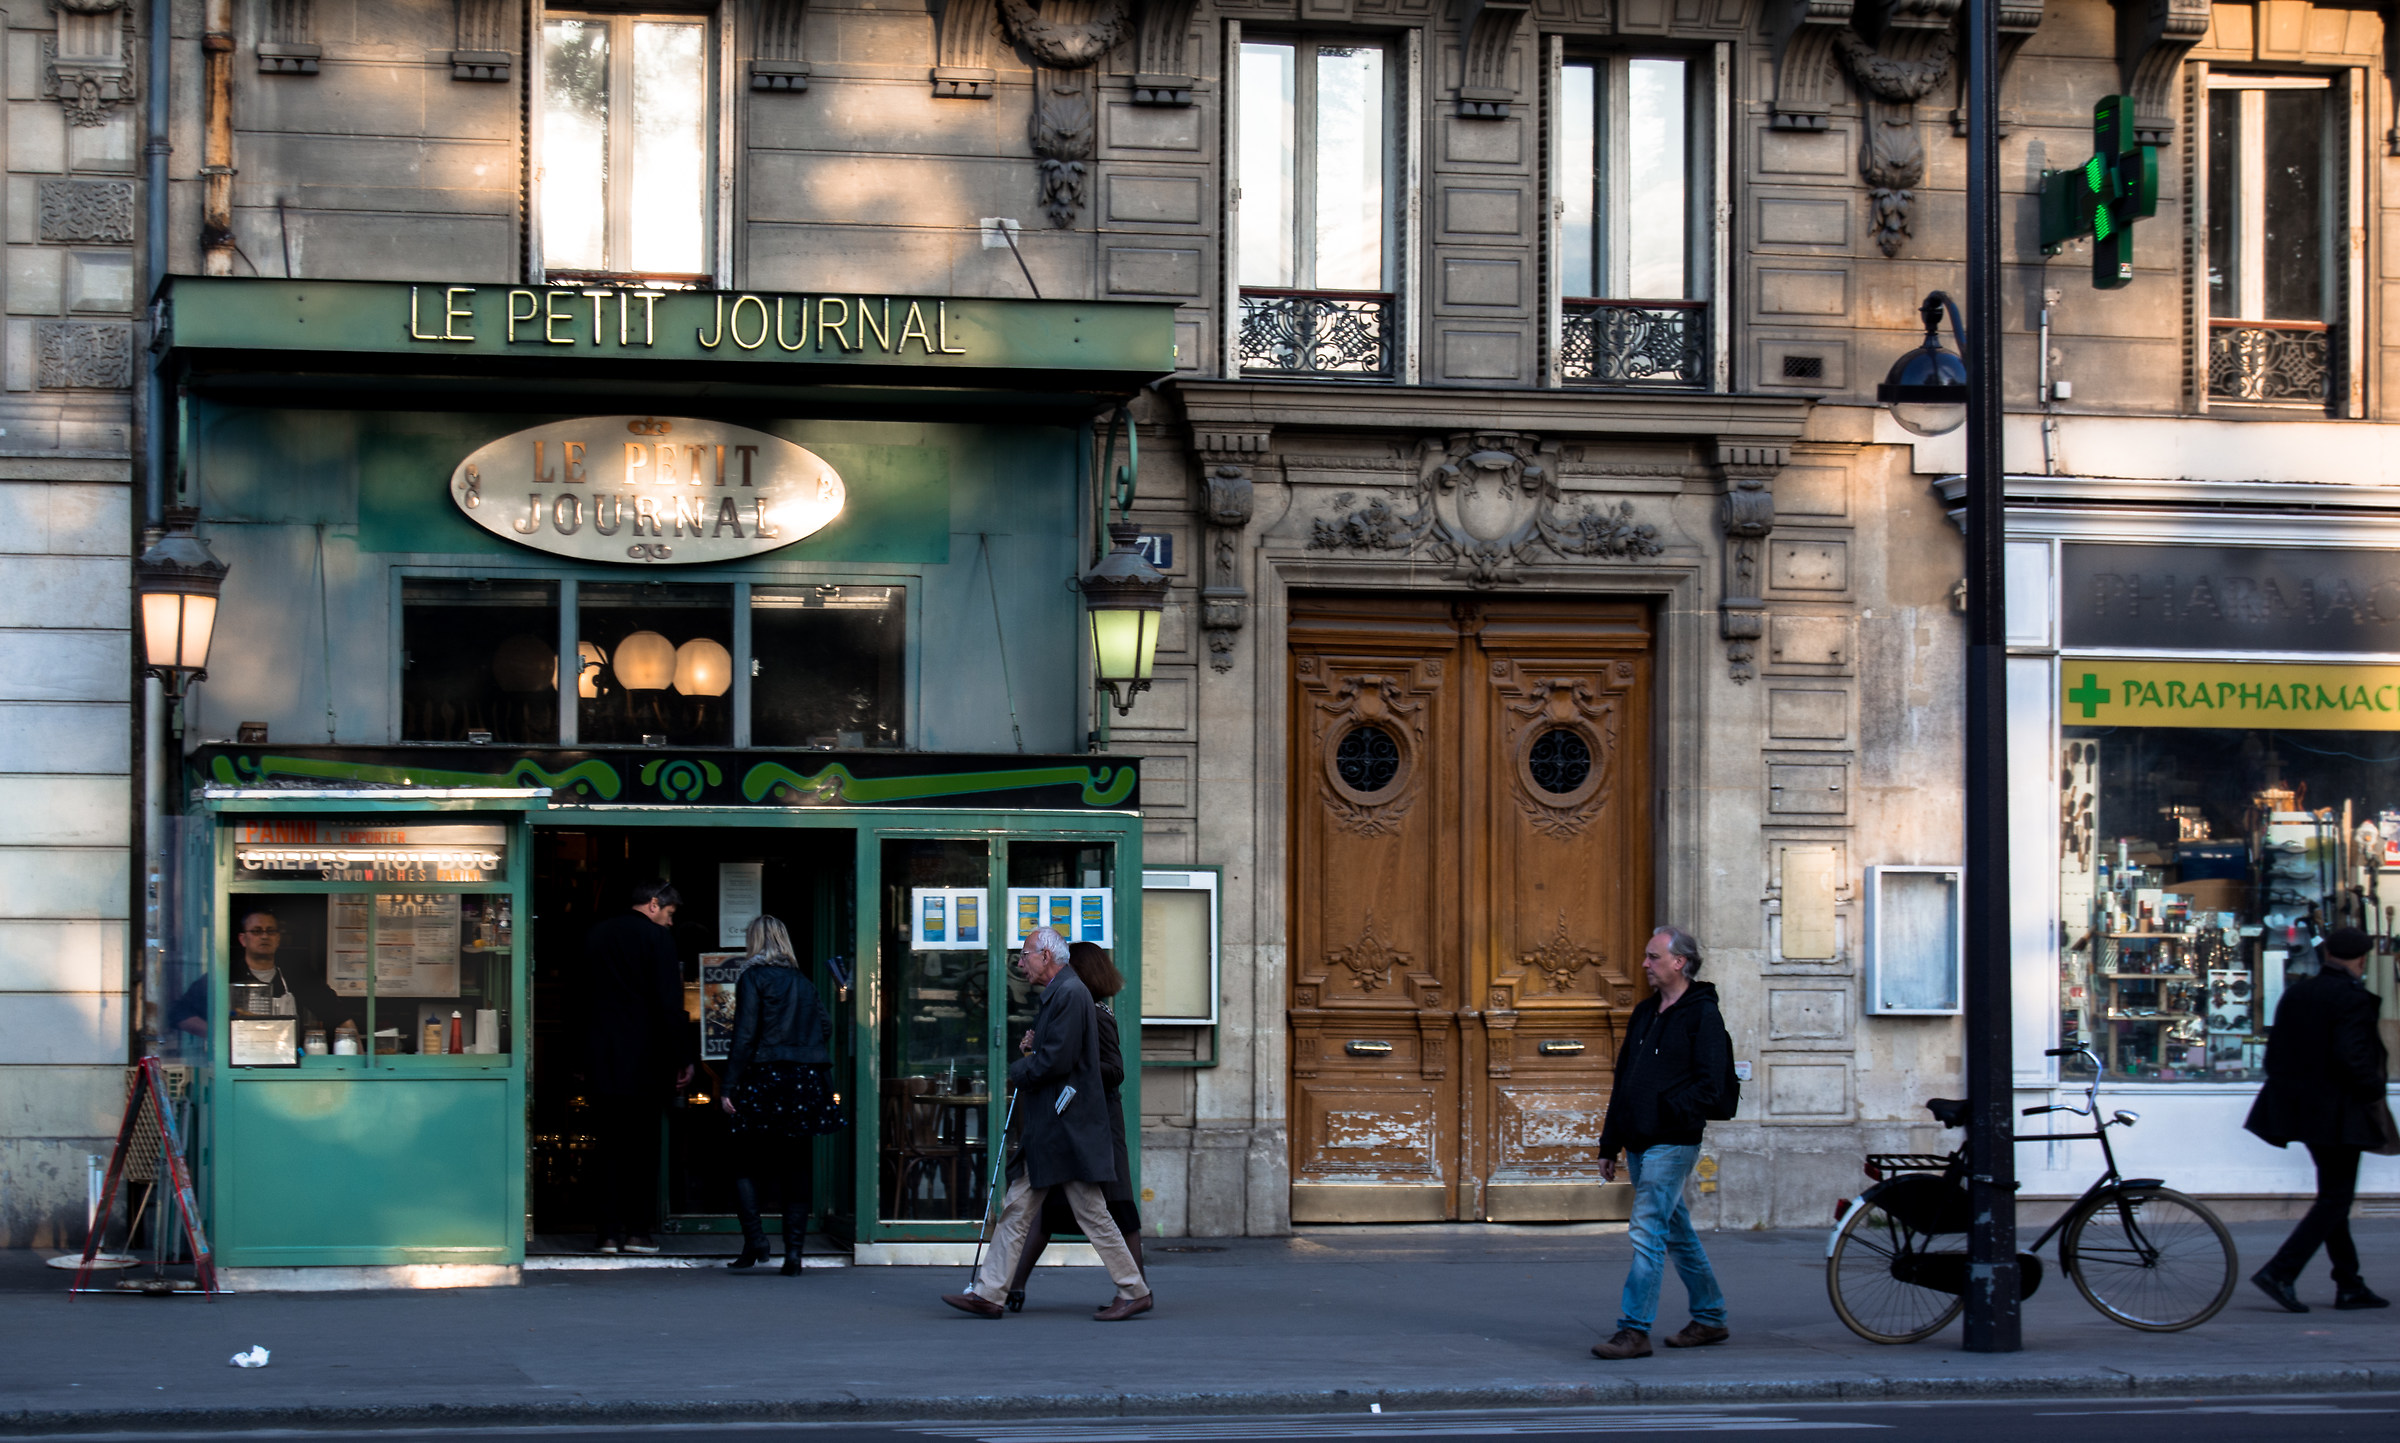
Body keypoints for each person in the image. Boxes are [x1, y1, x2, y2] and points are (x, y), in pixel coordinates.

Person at [940, 927, 1153, 1321]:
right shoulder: (1067, 993)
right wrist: (1035, 1051)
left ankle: (1133, 1290)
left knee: (1082, 1212)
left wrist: (1021, 1069)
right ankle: (990, 1292)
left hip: (1063, 1124)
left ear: (1046, 956)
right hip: (1059, 1123)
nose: (1020, 965)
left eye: (1024, 956)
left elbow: (1059, 1060)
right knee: (1020, 1208)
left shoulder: (1070, 994)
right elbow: (1059, 1053)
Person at [1589, 925, 1732, 1360]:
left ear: (1679, 962)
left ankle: (1634, 1330)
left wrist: (1664, 1110)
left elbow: (1712, 1086)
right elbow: (1624, 1083)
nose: (1646, 964)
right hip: (1638, 1141)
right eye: (1648, 956)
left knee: (1646, 1229)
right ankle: (1709, 1316)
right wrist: (1609, 1145)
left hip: (1673, 1141)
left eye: (1653, 957)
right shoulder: (1645, 1013)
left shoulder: (1703, 1015)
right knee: (1676, 1231)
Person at [2244, 924, 2393, 1313]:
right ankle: (2281, 1271)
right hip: (2340, 1113)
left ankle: (2349, 1283)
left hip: (2301, 1110)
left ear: (2326, 955)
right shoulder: (2351, 998)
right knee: (2335, 1199)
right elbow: (2352, 1056)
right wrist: (2373, 1090)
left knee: (2333, 1196)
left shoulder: (2298, 993)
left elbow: (2274, 1056)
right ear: (2361, 960)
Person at [1002, 940, 1144, 1309]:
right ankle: (1009, 1287)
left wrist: (1072, 1064)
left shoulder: (1095, 1013)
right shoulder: (1078, 1008)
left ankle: (1135, 1290)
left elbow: (1114, 1070)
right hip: (1072, 1119)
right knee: (1048, 1207)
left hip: (1097, 1121)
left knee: (1116, 1207)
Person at [718, 914, 839, 1276]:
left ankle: (755, 1240)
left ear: (755, 942)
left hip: (764, 1078)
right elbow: (826, 1025)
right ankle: (794, 1255)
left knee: (743, 1162)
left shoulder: (752, 978)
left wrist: (728, 1087)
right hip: (803, 1082)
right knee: (795, 1165)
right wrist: (801, 1047)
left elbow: (743, 1037)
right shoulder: (802, 981)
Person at [580, 882, 694, 1256]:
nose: (670, 922)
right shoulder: (657, 940)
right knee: (643, 1150)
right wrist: (682, 1057)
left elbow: (576, 1000)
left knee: (607, 1147)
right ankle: (638, 1232)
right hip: (647, 1061)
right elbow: (668, 1003)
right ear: (654, 904)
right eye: (670, 914)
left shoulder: (595, 935)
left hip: (601, 1057)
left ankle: (607, 1233)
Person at [171, 905, 350, 1040]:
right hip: (239, 1067)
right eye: (256, 931)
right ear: (243, 939)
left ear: (278, 938)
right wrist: (219, 1038)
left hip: (287, 1064)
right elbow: (179, 1013)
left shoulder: (296, 975)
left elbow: (336, 1013)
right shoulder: (225, 975)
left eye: (270, 931)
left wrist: (356, 1054)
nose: (264, 936)